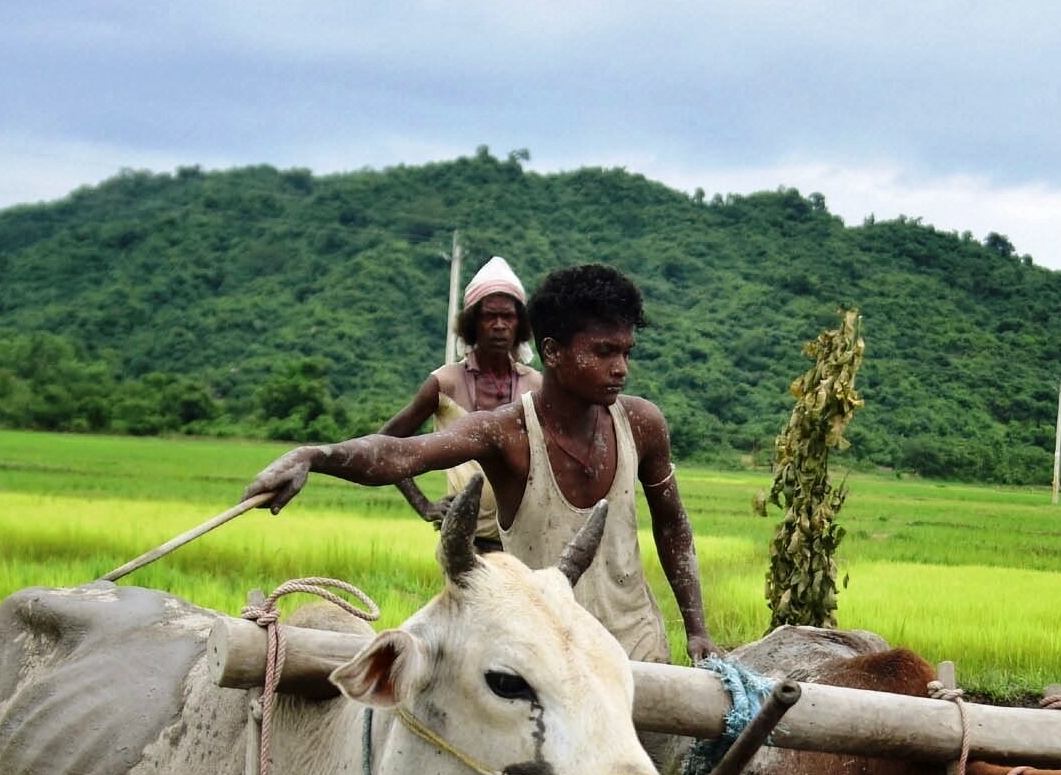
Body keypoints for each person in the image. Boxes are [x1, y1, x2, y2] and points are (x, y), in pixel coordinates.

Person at [245, 262, 716, 671]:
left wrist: (696, 631)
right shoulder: (505, 432)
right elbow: (400, 452)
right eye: (604, 352)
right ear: (553, 352)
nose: (621, 369)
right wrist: (315, 455)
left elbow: (672, 524)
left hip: (636, 649)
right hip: (542, 657)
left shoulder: (641, 422)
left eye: (626, 352)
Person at [378, 256, 538, 523]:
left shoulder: (535, 386)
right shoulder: (445, 383)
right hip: (464, 542)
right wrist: (424, 506)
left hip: (524, 543)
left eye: (508, 316)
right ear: (473, 323)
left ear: (519, 323)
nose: (499, 325)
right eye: (489, 316)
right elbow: (387, 444)